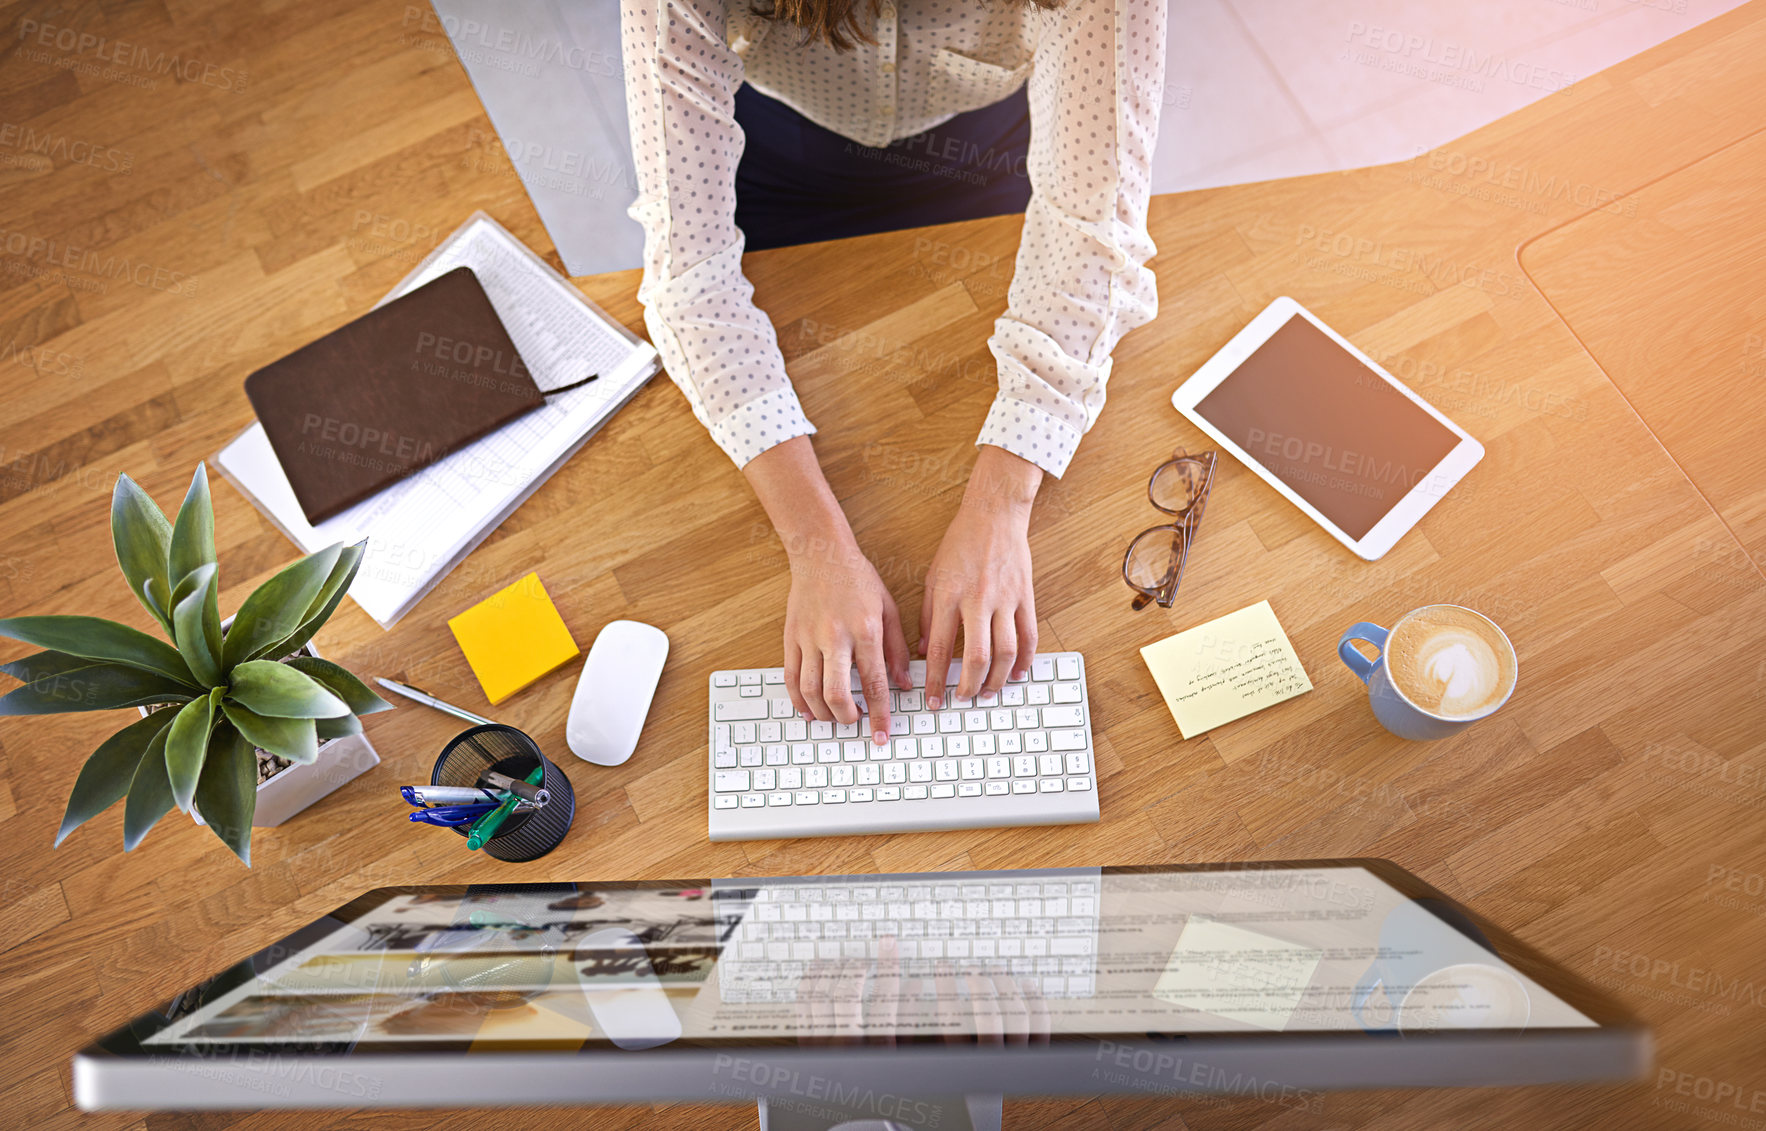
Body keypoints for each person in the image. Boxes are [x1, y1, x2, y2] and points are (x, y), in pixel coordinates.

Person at [619, 0, 1166, 748]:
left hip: (980, 153)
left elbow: (1090, 234)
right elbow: (690, 274)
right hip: (783, 155)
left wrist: (1002, 503)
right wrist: (815, 543)